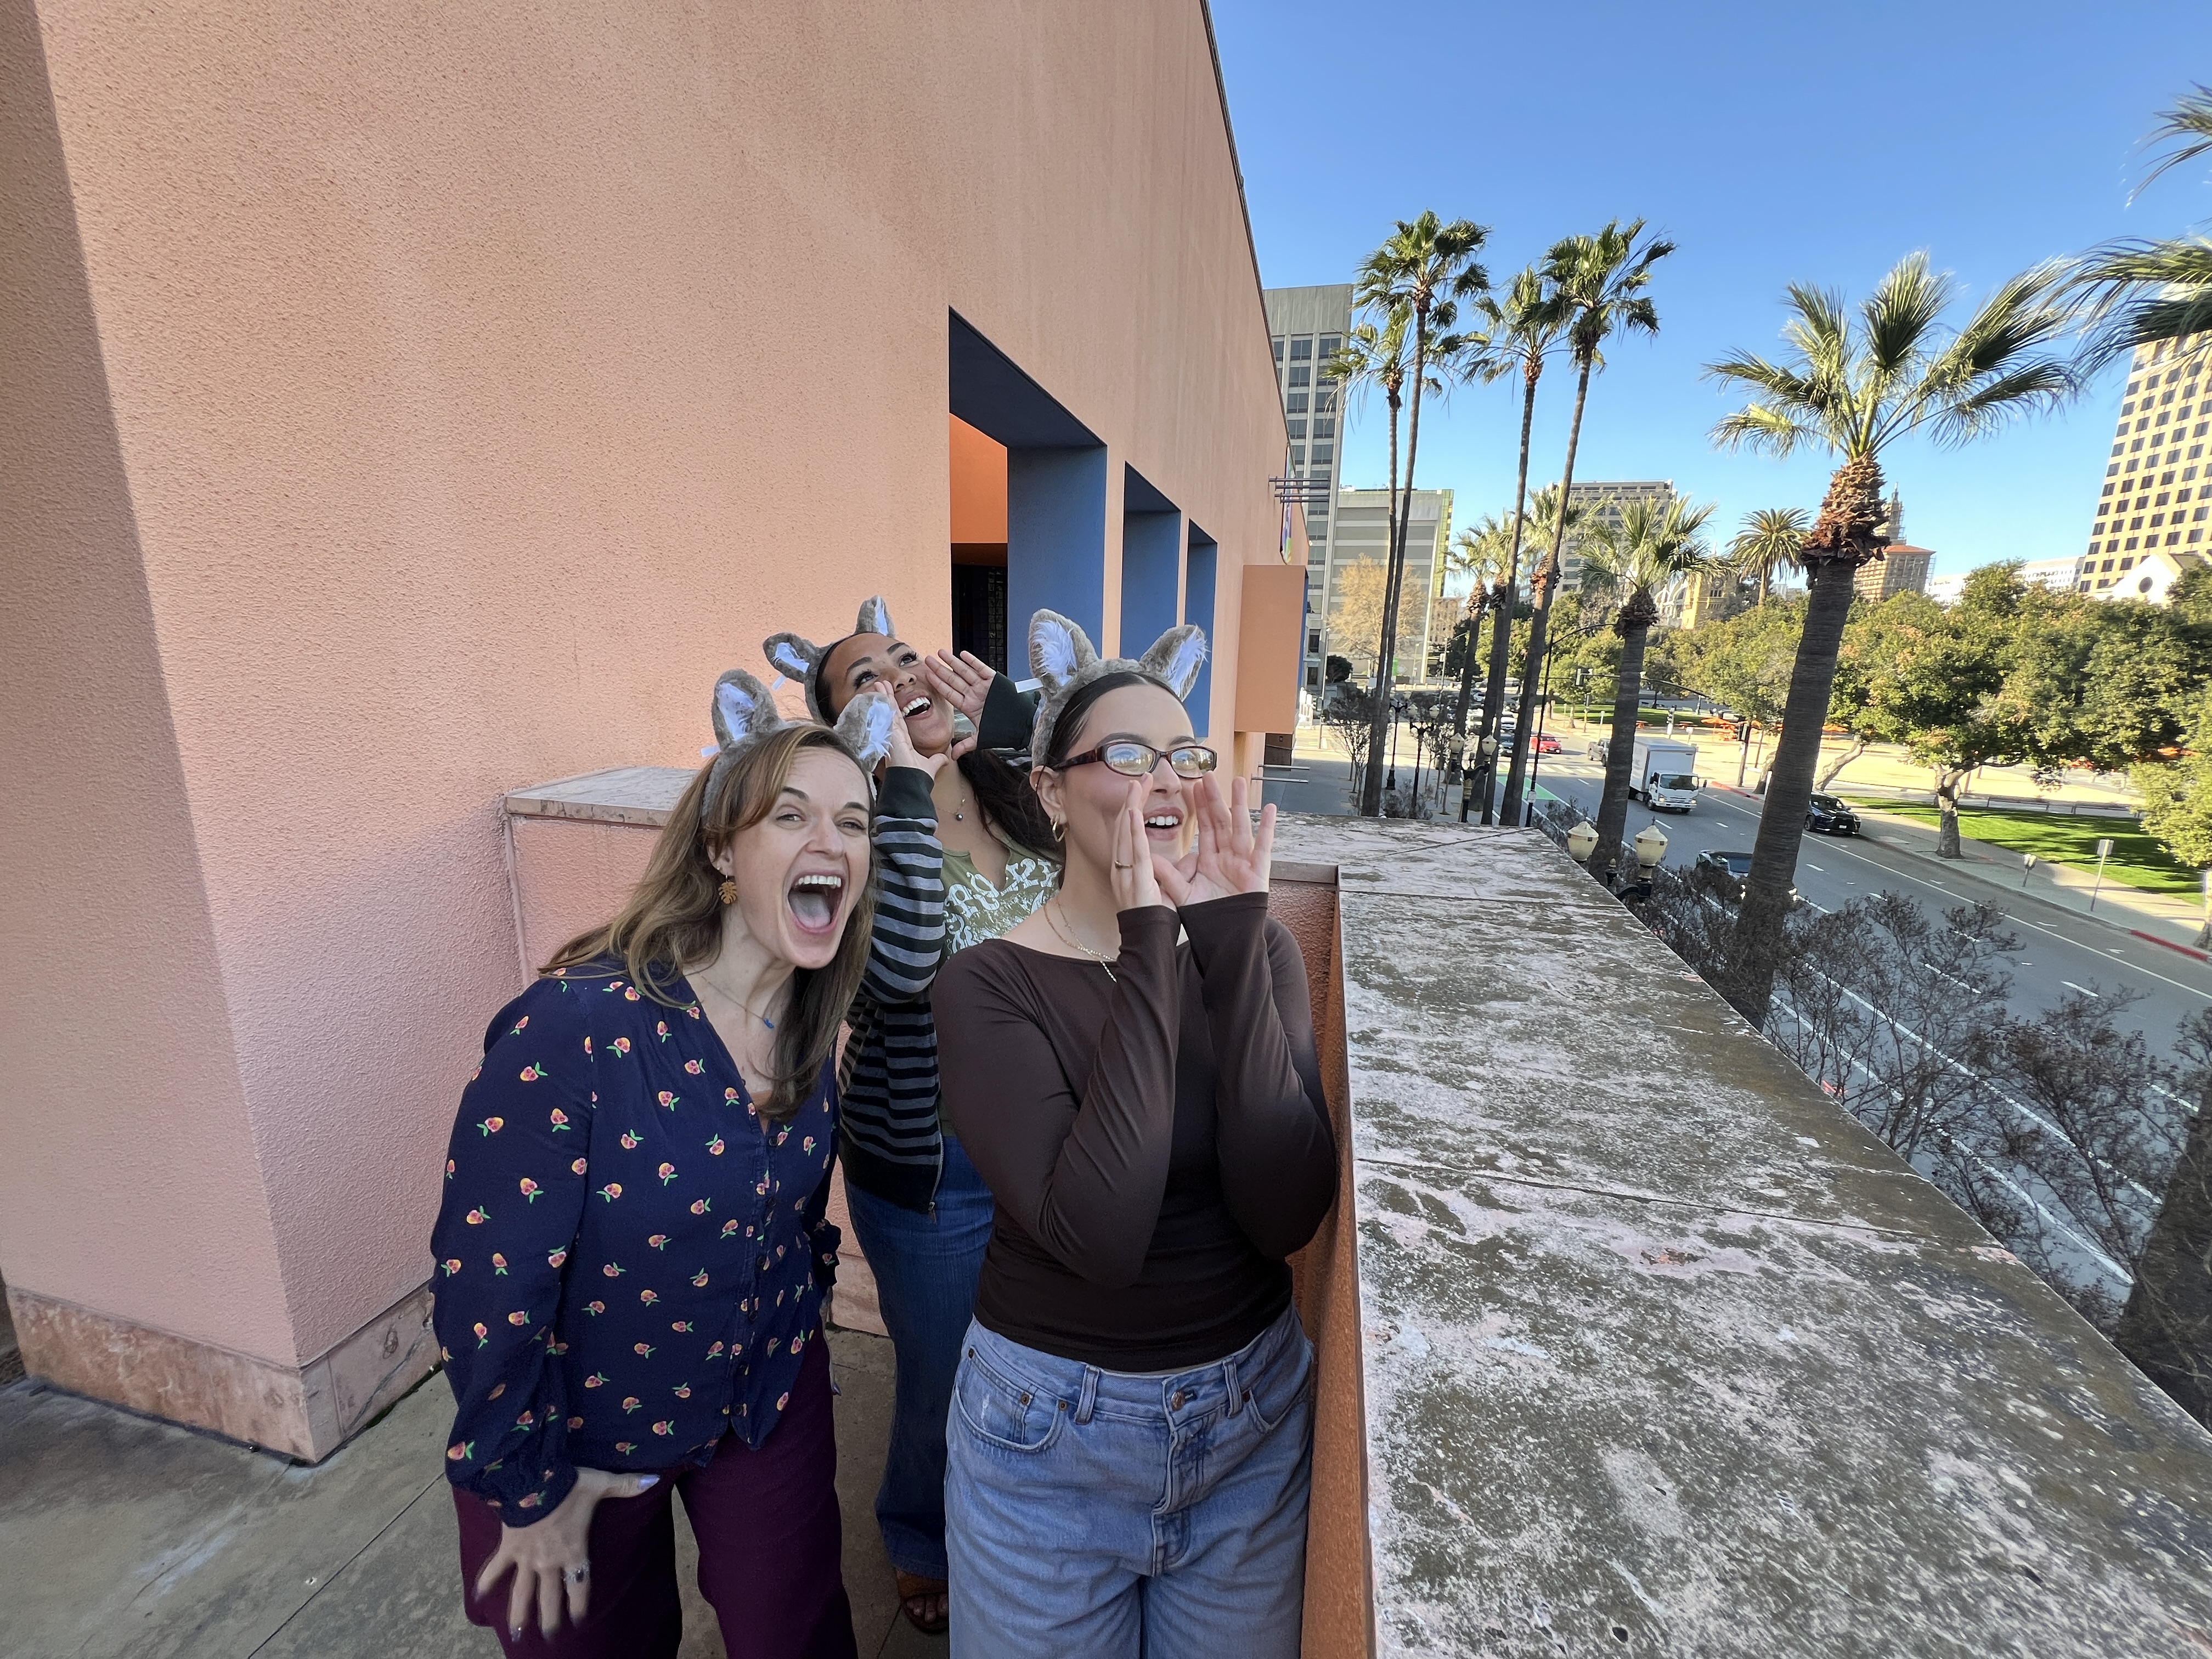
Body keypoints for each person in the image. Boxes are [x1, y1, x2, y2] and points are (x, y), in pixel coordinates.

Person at [430, 669, 895, 1658]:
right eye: (793, 816)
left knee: (799, 1632)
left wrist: (797, 1319)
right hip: (584, 1433)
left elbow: (794, 1215)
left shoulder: (814, 1024)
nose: (832, 844)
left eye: (855, 824)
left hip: (764, 1396)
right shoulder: (575, 1025)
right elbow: (487, 1283)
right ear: (723, 846)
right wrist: (526, 1488)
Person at [931, 610, 1339, 1658]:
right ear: (1051, 791)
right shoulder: (986, 985)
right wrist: (1155, 939)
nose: (1164, 777)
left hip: (1249, 1429)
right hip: (1047, 1443)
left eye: (1183, 754)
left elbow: (1287, 1210)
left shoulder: (1253, 948)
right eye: (1124, 753)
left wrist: (1233, 947)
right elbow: (1100, 1234)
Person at [764, 599, 1057, 1635]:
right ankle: (921, 1533)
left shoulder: (996, 785)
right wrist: (896, 781)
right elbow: (899, 967)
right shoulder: (857, 826)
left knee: (1034, 1361)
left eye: (901, 658)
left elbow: (1086, 891)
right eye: (865, 682)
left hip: (1047, 1146)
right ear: (844, 723)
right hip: (935, 1168)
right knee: (944, 1373)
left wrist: (1010, 744)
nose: (897, 678)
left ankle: (1015, 1523)